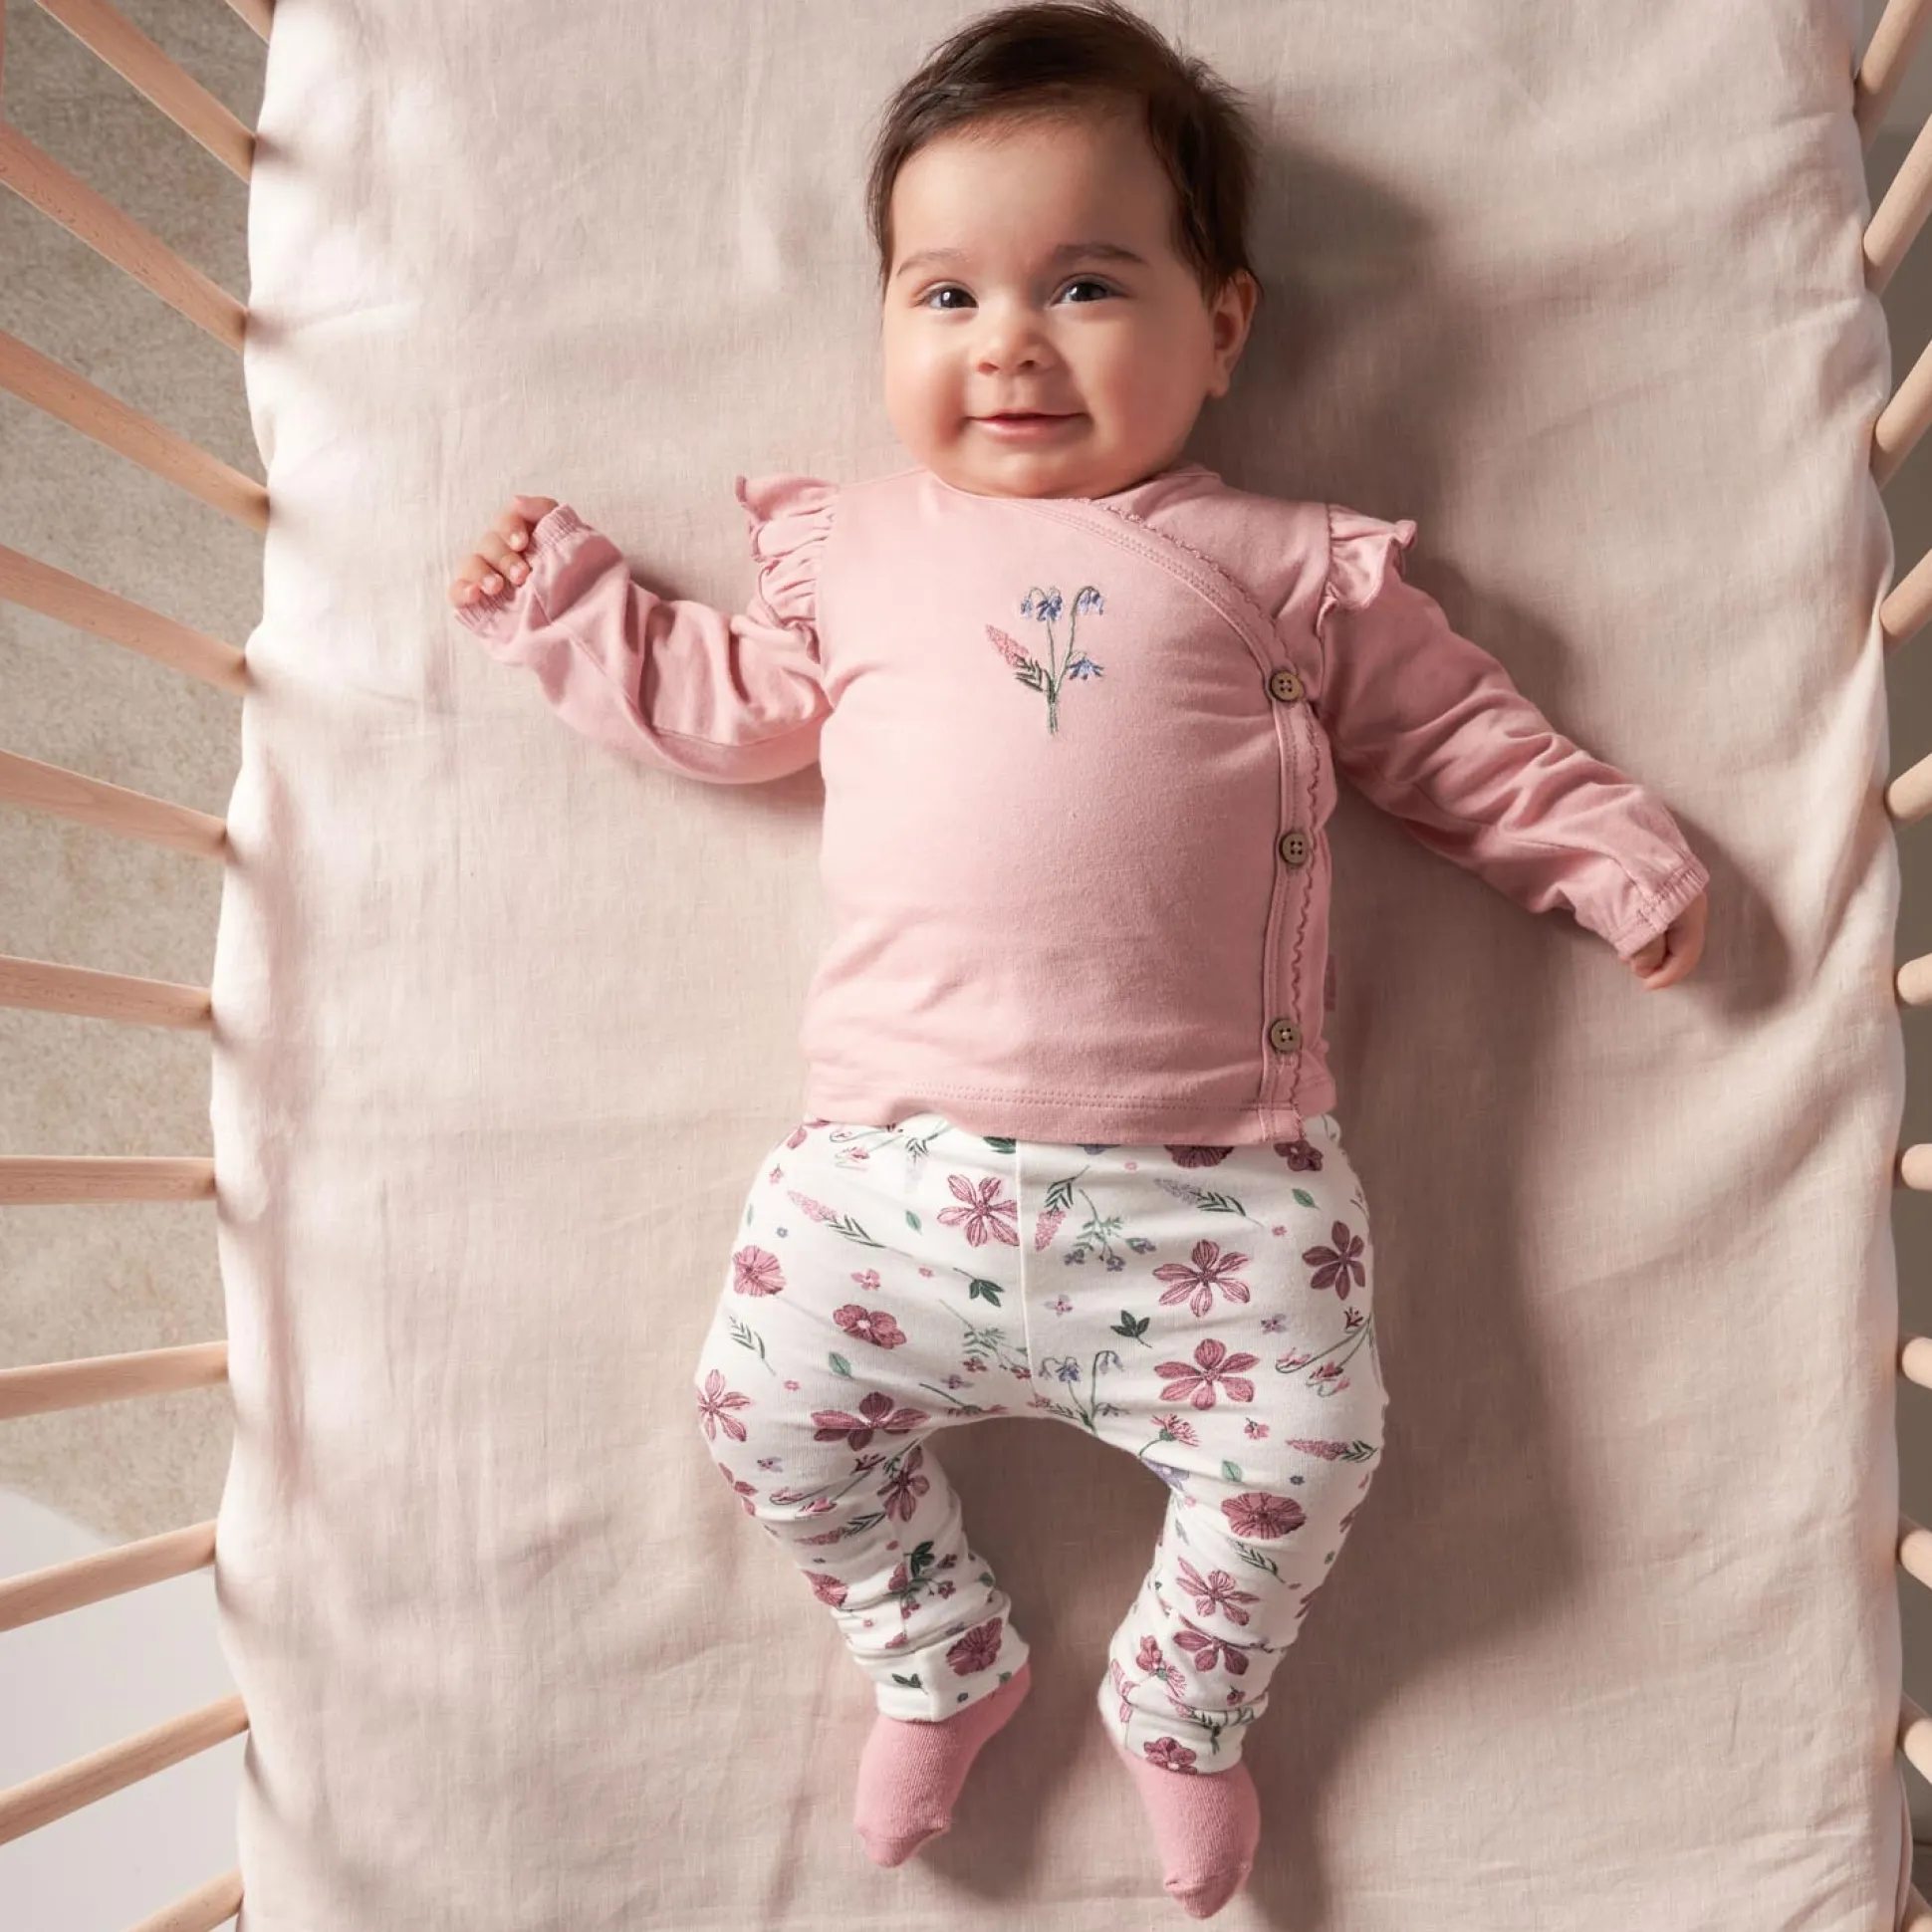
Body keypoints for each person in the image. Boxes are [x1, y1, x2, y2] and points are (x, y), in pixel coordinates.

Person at [446, 1, 1709, 1915]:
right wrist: (572, 606)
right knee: (758, 1411)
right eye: (944, 294)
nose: (1010, 342)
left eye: (1088, 284)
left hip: (1220, 1188)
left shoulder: (1289, 571)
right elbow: (728, 707)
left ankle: (1184, 1697)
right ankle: (936, 1649)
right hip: (890, 1175)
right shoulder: (857, 553)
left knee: (1313, 1444)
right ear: (885, 324)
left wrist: (1607, 854)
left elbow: (1459, 741)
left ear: (1225, 326)